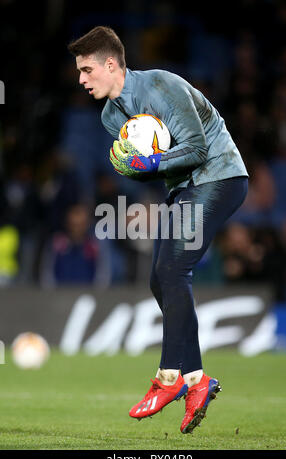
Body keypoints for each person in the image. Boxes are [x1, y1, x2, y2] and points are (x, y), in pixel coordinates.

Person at [68, 26, 249, 434]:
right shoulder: (110, 116)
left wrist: (149, 163)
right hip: (184, 187)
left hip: (219, 176)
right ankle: (197, 380)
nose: (80, 79)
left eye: (86, 70)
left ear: (110, 64)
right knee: (158, 280)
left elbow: (197, 148)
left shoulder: (161, 85)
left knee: (172, 271)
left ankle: (169, 378)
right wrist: (133, 169)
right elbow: (154, 169)